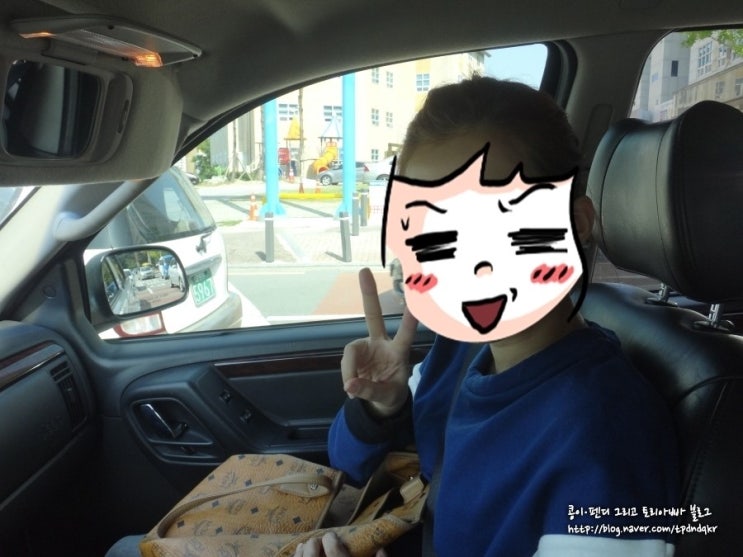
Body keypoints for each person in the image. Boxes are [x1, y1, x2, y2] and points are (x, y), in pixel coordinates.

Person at [294, 76, 679, 557]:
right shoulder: (460, 349)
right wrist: (382, 406)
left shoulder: (608, 433)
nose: (473, 266)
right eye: (437, 240)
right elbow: (347, 463)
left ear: (575, 223)